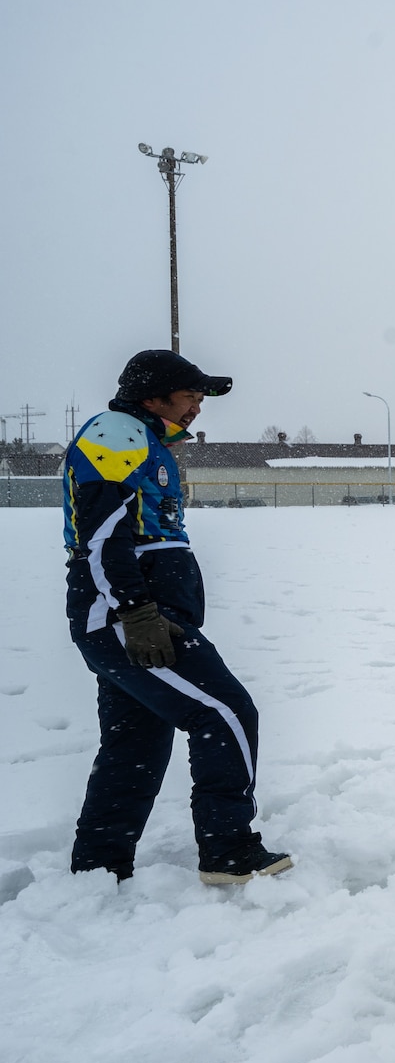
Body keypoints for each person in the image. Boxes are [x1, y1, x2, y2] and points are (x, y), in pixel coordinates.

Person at [61, 350, 291, 885]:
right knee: (226, 712)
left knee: (136, 742)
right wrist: (135, 611)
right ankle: (229, 850)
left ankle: (98, 866)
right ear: (154, 395)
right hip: (129, 615)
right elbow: (99, 534)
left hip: (131, 613)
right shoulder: (116, 432)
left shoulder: (144, 442)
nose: (197, 409)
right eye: (191, 396)